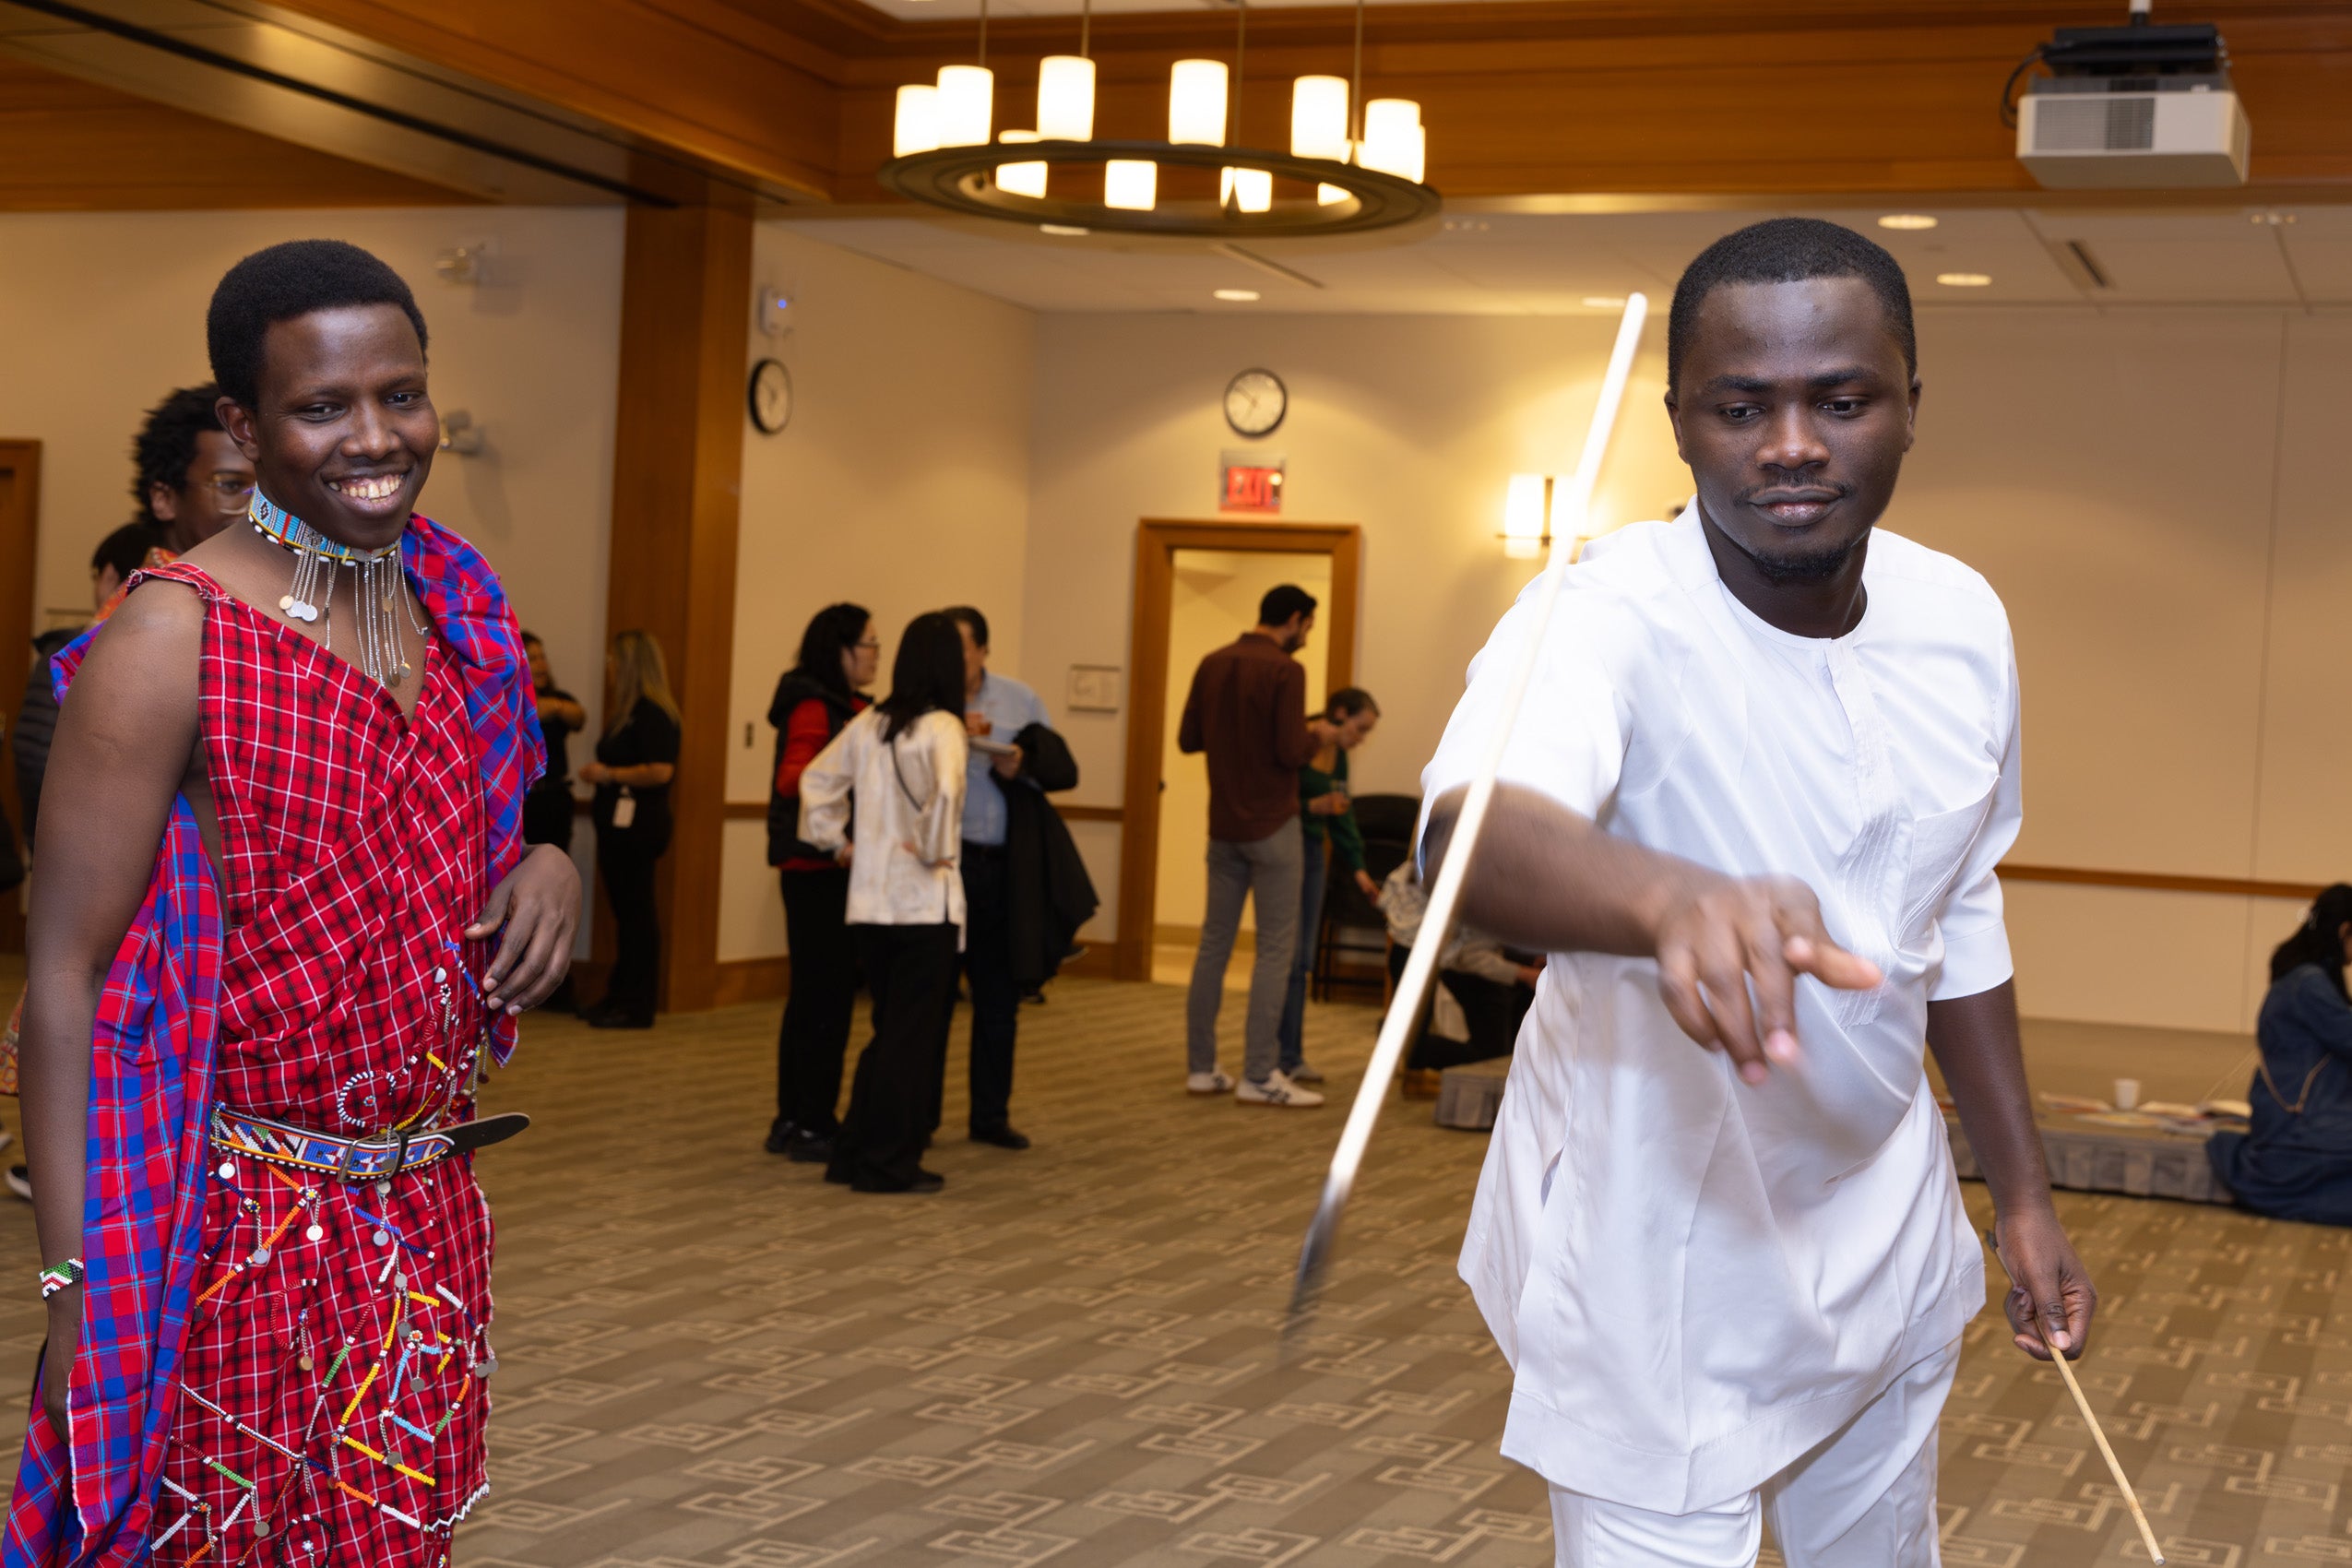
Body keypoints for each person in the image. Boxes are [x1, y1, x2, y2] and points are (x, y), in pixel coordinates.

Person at [1420, 219, 2092, 1565]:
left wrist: (2019, 1193)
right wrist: (1665, 899)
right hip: (1650, 1253)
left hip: (1881, 1229)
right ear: (1679, 421)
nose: (1791, 442)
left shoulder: (1960, 618)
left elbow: (1953, 910)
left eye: (1840, 400)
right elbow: (1465, 841)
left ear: (1908, 406)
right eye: (1742, 406)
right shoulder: (1596, 613)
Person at [5, 238, 576, 1568]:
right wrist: (74, 1287)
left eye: (401, 394)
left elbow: (469, 832)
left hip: (424, 1211)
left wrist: (546, 860)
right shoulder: (170, 637)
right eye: (323, 407)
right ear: (243, 426)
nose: (374, 437)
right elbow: (65, 980)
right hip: (228, 1229)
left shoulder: (456, 604)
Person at [798, 612, 968, 1194]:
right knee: (909, 1039)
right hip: (923, 904)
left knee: (887, 1031)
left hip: (870, 903)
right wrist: (931, 846)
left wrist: (840, 846)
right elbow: (946, 792)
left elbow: (816, 783)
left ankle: (853, 1153)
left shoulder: (869, 722)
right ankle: (888, 1162)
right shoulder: (944, 726)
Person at [1177, 584, 1341, 1108]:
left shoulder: (1212, 661)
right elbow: (1291, 750)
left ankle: (1202, 1068)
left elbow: (1188, 739)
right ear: (1293, 618)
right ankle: (1259, 1073)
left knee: (1213, 945)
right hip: (1272, 826)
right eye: (1308, 627)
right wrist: (1317, 734)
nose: (1306, 638)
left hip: (1222, 824)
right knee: (1274, 950)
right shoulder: (1285, 671)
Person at [935, 605, 1071, 1153]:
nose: (953, 657)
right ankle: (919, 1115)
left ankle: (990, 1116)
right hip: (942, 868)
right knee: (934, 998)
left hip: (998, 866)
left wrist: (1022, 764)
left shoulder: (1018, 698)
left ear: (983, 650)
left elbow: (1060, 767)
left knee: (997, 999)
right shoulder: (927, 703)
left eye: (962, 646)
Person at [765, 603, 878, 1162]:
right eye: (870, 645)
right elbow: (797, 779)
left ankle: (795, 1117)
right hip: (819, 871)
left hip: (821, 871)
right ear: (841, 650)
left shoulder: (841, 705)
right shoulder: (816, 706)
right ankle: (809, 1121)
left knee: (814, 998)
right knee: (824, 1000)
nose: (877, 656)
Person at [2206, 885, 2352, 1224]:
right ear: (2345, 930)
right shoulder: (2309, 984)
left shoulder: (2303, 976)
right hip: (2301, 1123)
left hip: (2298, 1115)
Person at [1276, 686, 1384, 1086]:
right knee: (1282, 958)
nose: (1361, 739)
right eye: (1360, 728)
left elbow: (1341, 815)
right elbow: (1272, 798)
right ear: (1339, 713)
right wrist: (1309, 808)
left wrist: (1359, 871)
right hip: (1283, 849)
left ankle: (1291, 1055)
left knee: (1303, 959)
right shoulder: (1300, 739)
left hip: (1313, 855)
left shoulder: (1339, 757)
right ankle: (1271, 1055)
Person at [580, 629, 681, 1029]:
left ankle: (637, 1004)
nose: (610, 670)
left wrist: (607, 773)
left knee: (638, 915)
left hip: (639, 827)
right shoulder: (630, 710)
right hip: (620, 827)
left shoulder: (654, 713)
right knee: (627, 915)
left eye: (614, 662)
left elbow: (660, 770)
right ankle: (620, 994)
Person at [1376, 860, 1541, 1099]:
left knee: (1495, 1048)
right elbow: (1470, 957)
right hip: (1430, 947)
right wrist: (1524, 973)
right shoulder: (1485, 893)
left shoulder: (1504, 886)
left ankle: (1410, 1060)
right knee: (1417, 1028)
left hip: (1453, 947)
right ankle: (1404, 1052)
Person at [520, 632, 588, 1011]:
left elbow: (578, 716)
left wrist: (550, 706)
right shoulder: (510, 690)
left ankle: (556, 980)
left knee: (555, 889)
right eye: (533, 657)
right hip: (525, 802)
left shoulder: (562, 700)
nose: (541, 664)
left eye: (543, 657)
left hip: (555, 799)